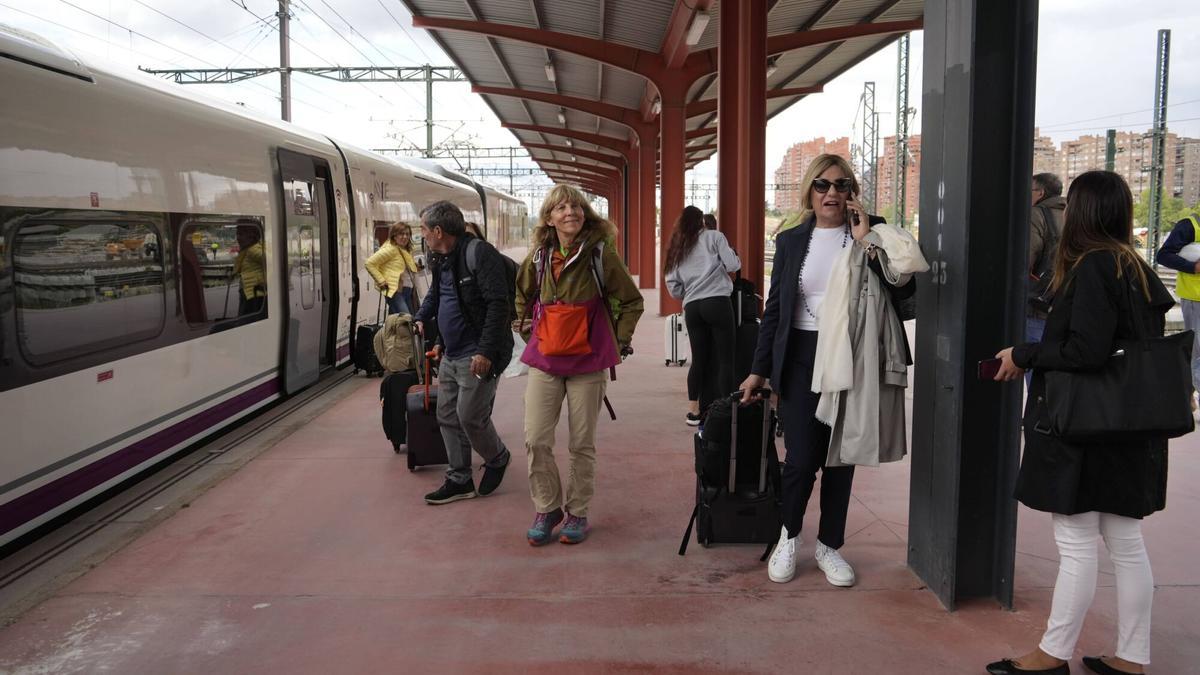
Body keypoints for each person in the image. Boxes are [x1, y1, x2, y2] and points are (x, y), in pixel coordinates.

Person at [987, 171, 1171, 675]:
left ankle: (1052, 654)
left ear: (1082, 214)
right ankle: (1133, 658)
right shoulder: (1133, 266)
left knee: (1075, 543)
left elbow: (1085, 351)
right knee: (1127, 545)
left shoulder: (1092, 268)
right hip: (1130, 426)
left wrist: (1023, 353)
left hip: (1083, 428)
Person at [739, 153, 916, 588]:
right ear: (809, 192)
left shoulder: (873, 232)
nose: (831, 193)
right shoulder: (791, 241)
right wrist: (759, 370)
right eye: (822, 185)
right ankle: (789, 535)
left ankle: (829, 546)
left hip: (854, 356)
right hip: (802, 355)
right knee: (801, 458)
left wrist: (865, 239)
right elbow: (777, 309)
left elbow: (906, 287)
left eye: (841, 185)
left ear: (852, 192)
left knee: (841, 457)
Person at [514, 184, 644, 545]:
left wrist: (617, 341)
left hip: (588, 362)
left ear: (584, 213)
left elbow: (631, 301)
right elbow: (521, 296)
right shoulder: (540, 255)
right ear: (549, 217)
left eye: (576, 207)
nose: (569, 212)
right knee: (535, 437)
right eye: (561, 208)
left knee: (581, 443)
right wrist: (525, 328)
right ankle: (547, 507)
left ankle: (577, 512)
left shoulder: (601, 254)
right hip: (545, 359)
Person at [412, 201, 514, 505]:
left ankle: (497, 456)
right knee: (447, 415)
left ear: (439, 231)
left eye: (425, 230)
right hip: (451, 352)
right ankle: (459, 479)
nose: (423, 235)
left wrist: (485, 351)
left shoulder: (479, 254)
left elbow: (498, 305)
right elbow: (442, 297)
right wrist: (425, 321)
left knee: (470, 416)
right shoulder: (439, 257)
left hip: (477, 354)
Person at [665, 205, 741, 425]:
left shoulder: (677, 247)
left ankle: (693, 411)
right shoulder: (714, 237)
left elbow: (672, 285)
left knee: (698, 360)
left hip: (693, 307)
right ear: (702, 222)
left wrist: (687, 293)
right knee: (726, 359)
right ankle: (727, 411)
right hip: (717, 302)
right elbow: (733, 264)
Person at [1155, 210, 1200, 418]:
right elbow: (1163, 255)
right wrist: (1192, 267)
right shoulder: (1189, 225)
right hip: (1195, 297)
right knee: (1197, 351)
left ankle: (1187, 393)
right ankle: (1187, 393)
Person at [1028, 173, 1067, 343]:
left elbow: (1026, 259)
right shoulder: (1073, 214)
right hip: (1065, 302)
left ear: (1041, 193)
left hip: (1038, 304)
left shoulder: (1035, 215)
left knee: (1030, 359)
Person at [365, 222, 419, 316]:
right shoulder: (390, 249)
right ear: (394, 236)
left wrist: (415, 266)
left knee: (398, 321)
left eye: (407, 234)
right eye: (401, 234)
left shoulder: (404, 249)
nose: (405, 237)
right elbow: (369, 263)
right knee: (407, 320)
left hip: (407, 291)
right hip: (395, 291)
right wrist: (381, 281)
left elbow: (399, 266)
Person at [233, 224, 266, 316]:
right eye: (237, 234)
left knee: (246, 319)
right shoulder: (247, 250)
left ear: (251, 236)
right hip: (249, 292)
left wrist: (265, 282)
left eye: (241, 234)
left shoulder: (253, 250)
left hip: (253, 295)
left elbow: (274, 262)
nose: (238, 238)